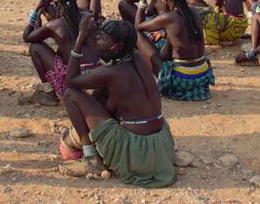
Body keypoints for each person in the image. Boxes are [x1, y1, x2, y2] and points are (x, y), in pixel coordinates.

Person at [59, 16, 176, 188]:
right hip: (160, 144)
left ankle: (92, 159)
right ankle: (90, 144)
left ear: (117, 47)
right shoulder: (136, 57)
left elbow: (71, 81)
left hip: (136, 150)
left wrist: (80, 38)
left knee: (70, 94)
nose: (97, 41)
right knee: (102, 92)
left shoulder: (113, 72)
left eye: (102, 39)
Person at [135, 0, 214, 101]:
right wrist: (165, 34)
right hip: (203, 74)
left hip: (184, 78)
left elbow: (138, 26)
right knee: (168, 41)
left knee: (137, 35)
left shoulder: (169, 17)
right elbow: (176, 41)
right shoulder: (194, 12)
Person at [21, 0, 93, 106]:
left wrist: (36, 8)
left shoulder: (55, 26)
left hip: (72, 84)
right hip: (95, 79)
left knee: (35, 47)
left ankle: (48, 92)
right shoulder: (89, 17)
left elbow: (27, 37)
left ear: (56, 4)